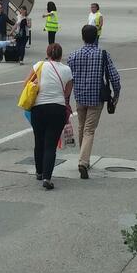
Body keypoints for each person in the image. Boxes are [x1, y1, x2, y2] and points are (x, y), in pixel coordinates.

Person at [67, 25, 121, 179]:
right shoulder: (102, 54)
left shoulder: (73, 55)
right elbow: (114, 77)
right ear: (96, 37)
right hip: (96, 97)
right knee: (89, 129)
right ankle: (83, 162)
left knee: (82, 127)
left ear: (83, 37)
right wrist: (116, 94)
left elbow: (68, 77)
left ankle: (83, 157)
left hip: (80, 96)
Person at [27, 43, 73, 190]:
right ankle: (47, 177)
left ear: (47, 54)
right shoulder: (67, 70)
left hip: (38, 108)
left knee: (38, 140)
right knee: (50, 144)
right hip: (57, 108)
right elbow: (67, 93)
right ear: (60, 55)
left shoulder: (39, 66)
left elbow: (26, 84)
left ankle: (39, 171)